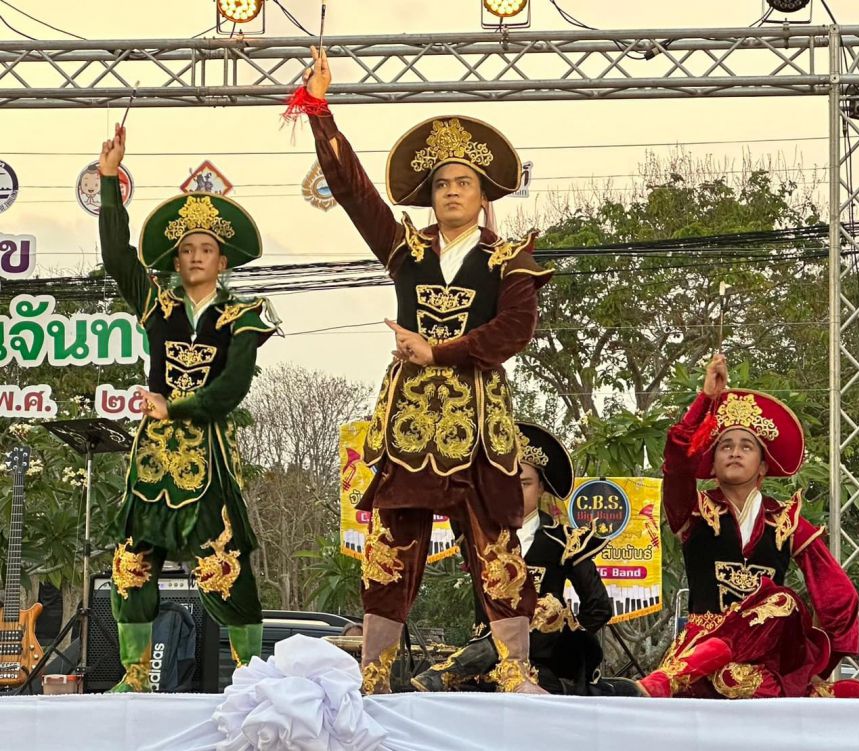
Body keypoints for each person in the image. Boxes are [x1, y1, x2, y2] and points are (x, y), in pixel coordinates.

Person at [297, 48, 552, 694]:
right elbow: (353, 192)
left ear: (484, 193)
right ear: (430, 196)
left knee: (496, 545)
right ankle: (375, 670)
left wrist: (438, 352)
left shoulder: (510, 259)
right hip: (409, 423)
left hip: (479, 423)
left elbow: (514, 331)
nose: (451, 191)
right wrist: (320, 112)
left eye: (463, 181)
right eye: (441, 184)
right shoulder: (404, 251)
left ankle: (516, 669)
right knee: (391, 543)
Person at [98, 124, 279, 692]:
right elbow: (117, 256)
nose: (195, 257)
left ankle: (250, 676)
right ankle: (134, 675)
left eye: (206, 249)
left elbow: (232, 389)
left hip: (208, 455)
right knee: (131, 560)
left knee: (225, 562)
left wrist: (173, 408)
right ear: (175, 262)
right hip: (151, 456)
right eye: (186, 250)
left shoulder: (244, 317)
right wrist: (109, 180)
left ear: (223, 261)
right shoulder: (157, 305)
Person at [638, 354, 859, 699]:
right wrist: (706, 400)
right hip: (700, 651)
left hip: (765, 659)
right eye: (725, 446)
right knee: (737, 667)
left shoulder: (785, 521)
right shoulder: (694, 511)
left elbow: (840, 596)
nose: (735, 452)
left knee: (783, 605)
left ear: (763, 466)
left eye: (746, 447)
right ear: (712, 463)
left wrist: (817, 665)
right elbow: (677, 463)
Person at [411, 423, 639, 695]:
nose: (515, 492)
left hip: (546, 657)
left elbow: (598, 607)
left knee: (545, 608)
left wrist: (565, 638)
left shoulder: (565, 540)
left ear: (541, 487)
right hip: (489, 658)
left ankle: (452, 671)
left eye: (524, 483)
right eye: (505, 485)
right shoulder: (480, 538)